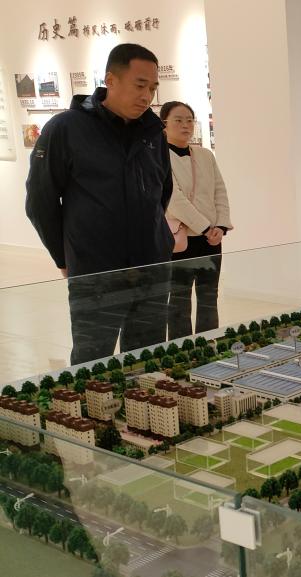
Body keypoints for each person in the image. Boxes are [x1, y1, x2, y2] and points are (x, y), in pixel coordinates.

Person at [26, 43, 173, 364]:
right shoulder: (65, 128)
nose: (147, 96)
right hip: (96, 271)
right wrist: (64, 257)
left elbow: (162, 191)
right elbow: (40, 200)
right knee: (93, 361)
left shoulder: (153, 132)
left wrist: (155, 239)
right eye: (139, 85)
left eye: (152, 88)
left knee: (147, 359)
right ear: (110, 80)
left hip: (151, 265)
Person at [161, 101, 233, 340]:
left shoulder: (205, 155)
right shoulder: (159, 157)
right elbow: (174, 199)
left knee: (209, 297)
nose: (185, 125)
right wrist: (205, 227)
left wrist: (220, 226)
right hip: (181, 240)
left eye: (189, 120)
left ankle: (207, 344)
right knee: (179, 300)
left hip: (211, 240)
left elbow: (219, 191)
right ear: (164, 125)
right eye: (178, 120)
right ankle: (182, 348)